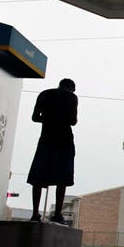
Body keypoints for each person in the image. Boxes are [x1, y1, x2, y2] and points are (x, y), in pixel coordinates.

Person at [27, 78, 78, 225]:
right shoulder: (72, 98)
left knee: (38, 176)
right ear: (72, 88)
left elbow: (35, 117)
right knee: (62, 179)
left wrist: (49, 118)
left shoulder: (44, 94)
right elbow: (73, 121)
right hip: (64, 141)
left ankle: (35, 213)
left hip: (46, 139)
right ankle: (57, 215)